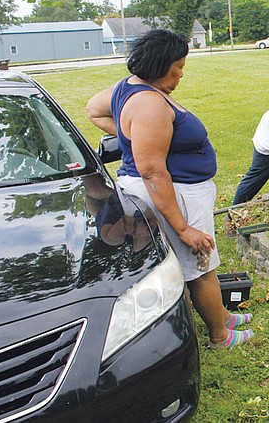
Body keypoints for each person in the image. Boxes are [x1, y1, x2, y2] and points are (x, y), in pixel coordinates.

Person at [86, 29, 253, 349]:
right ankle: (220, 335)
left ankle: (221, 316)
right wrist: (183, 227)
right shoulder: (150, 104)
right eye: (179, 66)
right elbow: (151, 170)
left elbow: (94, 109)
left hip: (178, 190)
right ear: (162, 64)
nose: (181, 74)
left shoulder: (127, 87)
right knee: (200, 266)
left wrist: (131, 137)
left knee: (204, 265)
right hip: (176, 195)